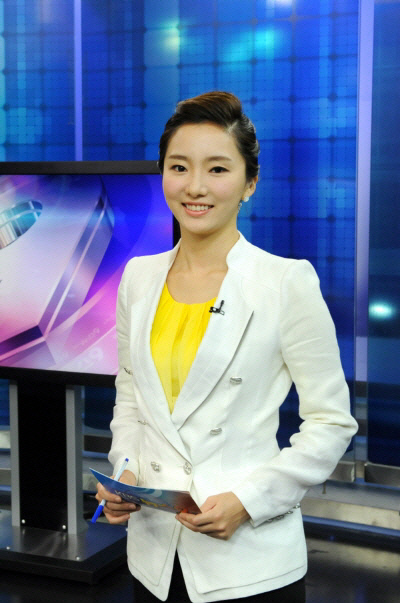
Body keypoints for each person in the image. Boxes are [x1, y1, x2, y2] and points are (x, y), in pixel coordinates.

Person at [96, 91, 358, 602]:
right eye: (179, 167)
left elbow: (331, 422)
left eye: (217, 169)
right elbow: (130, 396)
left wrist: (250, 500)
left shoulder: (285, 283)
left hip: (248, 562)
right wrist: (125, 471)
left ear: (249, 183)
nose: (195, 187)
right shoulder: (138, 277)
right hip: (153, 557)